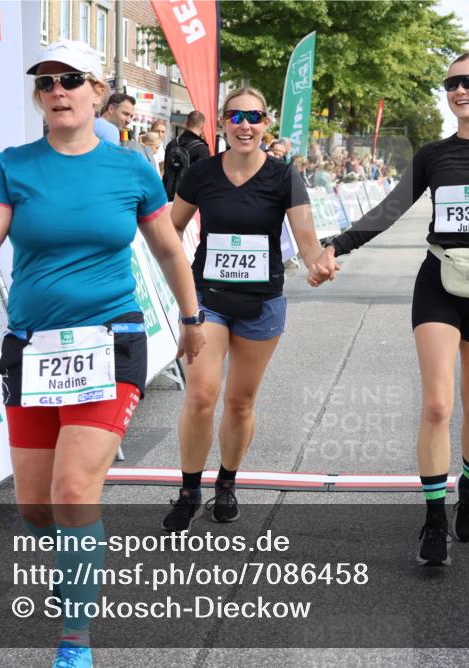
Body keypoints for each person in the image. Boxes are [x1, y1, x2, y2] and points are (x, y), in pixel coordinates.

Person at [0, 40, 204, 668]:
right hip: (33, 348)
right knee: (37, 505)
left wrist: (191, 317)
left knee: (71, 489)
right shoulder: (15, 164)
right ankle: (77, 555)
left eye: (70, 80)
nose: (57, 91)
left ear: (97, 93)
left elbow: (170, 250)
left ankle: (74, 638)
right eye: (45, 83)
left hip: (111, 340)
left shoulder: (131, 169)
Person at [314, 51, 469, 567]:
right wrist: (335, 246)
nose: (459, 90)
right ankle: (432, 519)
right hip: (439, 282)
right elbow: (388, 211)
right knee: (437, 405)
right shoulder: (434, 155)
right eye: (451, 83)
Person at [162, 86, 336, 532]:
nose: (245, 125)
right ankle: (187, 490)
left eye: (254, 117)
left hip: (262, 305)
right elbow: (170, 231)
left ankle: (227, 482)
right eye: (235, 117)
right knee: (202, 394)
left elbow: (307, 239)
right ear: (222, 123)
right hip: (208, 300)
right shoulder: (201, 173)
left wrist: (321, 263)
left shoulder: (283, 176)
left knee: (240, 402)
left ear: (266, 125)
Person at [163, 110, 209, 201]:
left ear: (186, 123)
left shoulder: (171, 144)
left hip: (167, 195)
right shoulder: (201, 148)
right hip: (188, 200)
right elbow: (202, 179)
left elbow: (166, 171)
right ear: (202, 127)